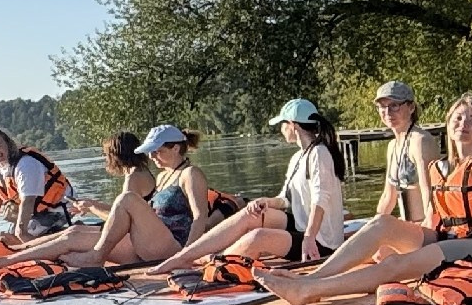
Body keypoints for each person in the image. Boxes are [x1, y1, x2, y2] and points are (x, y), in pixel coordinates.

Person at [259, 94, 472, 305]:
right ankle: (312, 278)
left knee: (395, 264)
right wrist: (401, 241)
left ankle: (310, 290)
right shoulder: (440, 167)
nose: (464, 124)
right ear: (448, 124)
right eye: (459, 118)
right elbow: (433, 221)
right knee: (381, 223)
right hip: (448, 237)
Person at [138, 99, 347, 278]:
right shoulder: (298, 157)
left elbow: (321, 198)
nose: (280, 130)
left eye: (281, 125)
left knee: (258, 236)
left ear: (292, 125)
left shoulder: (319, 153)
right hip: (303, 226)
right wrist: (265, 202)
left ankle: (211, 263)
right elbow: (286, 200)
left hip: (320, 242)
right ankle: (184, 257)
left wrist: (309, 238)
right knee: (249, 214)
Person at [0, 133, 180, 271]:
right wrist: (91, 206)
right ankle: (14, 253)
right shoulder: (146, 175)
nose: (103, 157)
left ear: (117, 155)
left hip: (142, 244)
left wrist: (92, 207)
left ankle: (6, 258)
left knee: (72, 237)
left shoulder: (135, 177)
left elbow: (126, 220)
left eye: (105, 154)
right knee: (73, 232)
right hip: (143, 237)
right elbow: (124, 216)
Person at [133, 125, 237, 251]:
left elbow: (200, 217)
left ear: (175, 148)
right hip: (155, 240)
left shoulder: (190, 174)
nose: (151, 156)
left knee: (126, 199)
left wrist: (186, 253)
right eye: (149, 152)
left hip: (177, 244)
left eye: (156, 151)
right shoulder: (162, 177)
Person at [0, 126, 73, 243]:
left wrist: (21, 232)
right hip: (35, 212)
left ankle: (63, 240)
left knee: (18, 237)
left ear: (8, 144)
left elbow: (28, 200)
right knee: (9, 237)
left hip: (58, 209)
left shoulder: (26, 164)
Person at [370, 81, 440, 224]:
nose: (388, 112)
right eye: (382, 106)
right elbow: (388, 197)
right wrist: (372, 225)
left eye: (394, 105)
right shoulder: (392, 146)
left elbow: (431, 193)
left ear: (411, 107)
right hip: (408, 225)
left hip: (425, 226)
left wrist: (429, 231)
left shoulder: (421, 141)